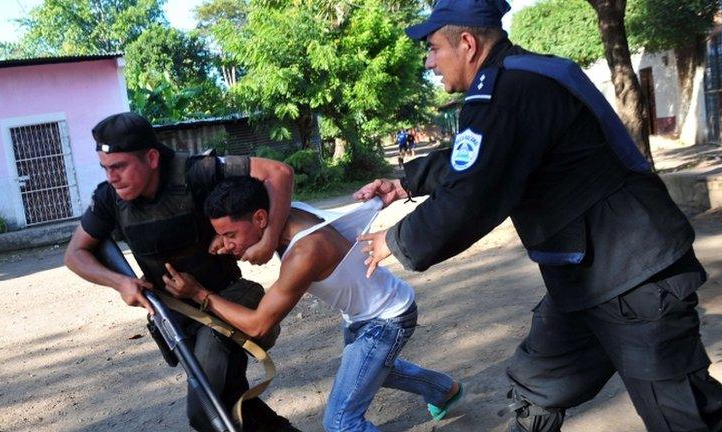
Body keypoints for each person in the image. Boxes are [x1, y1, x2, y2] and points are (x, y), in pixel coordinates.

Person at [353, 1, 722, 431]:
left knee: (681, 415)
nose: (429, 62)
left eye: (433, 48)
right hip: (586, 276)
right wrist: (406, 183)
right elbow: (478, 157)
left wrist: (395, 240)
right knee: (537, 383)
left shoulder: (509, 92)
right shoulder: (519, 79)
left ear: (467, 44)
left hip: (634, 276)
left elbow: (474, 193)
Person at [161, 176, 464, 432]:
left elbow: (259, 324)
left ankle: (440, 390)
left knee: (341, 423)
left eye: (230, 234)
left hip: (387, 319)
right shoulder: (283, 214)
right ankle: (443, 390)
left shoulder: (306, 251)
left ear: (260, 218)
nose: (228, 243)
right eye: (221, 235)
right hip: (364, 315)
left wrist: (200, 294)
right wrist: (228, 243)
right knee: (378, 371)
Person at [64, 112, 299, 432]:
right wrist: (120, 282)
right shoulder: (109, 199)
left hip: (226, 303)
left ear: (151, 157)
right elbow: (75, 254)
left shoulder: (195, 171)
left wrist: (268, 239)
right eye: (105, 168)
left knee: (205, 411)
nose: (112, 178)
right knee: (226, 396)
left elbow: (279, 172)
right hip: (178, 315)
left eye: (119, 166)